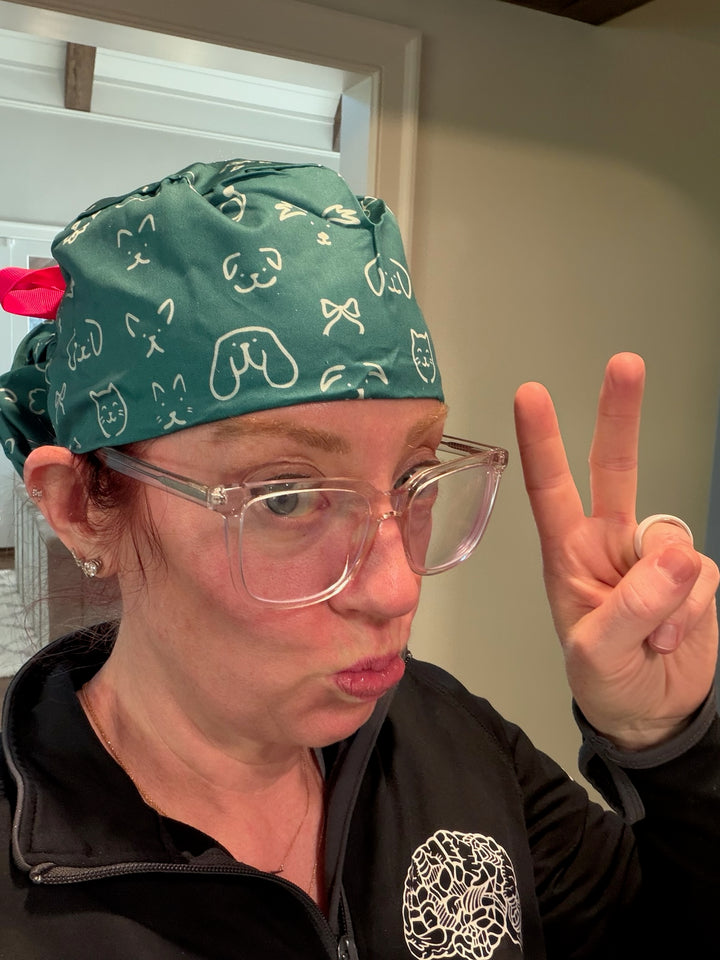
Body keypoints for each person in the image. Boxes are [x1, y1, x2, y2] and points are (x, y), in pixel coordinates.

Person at [0, 159, 717, 960]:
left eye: (414, 479)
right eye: (285, 498)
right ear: (80, 508)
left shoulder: (444, 735)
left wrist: (666, 744)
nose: (396, 588)